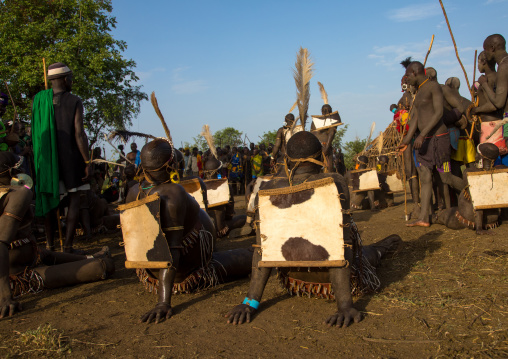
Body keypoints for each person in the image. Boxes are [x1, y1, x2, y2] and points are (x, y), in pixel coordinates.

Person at [226, 131, 401, 326]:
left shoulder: (266, 191)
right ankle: (382, 247)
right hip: (333, 284)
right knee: (368, 252)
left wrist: (250, 302)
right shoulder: (335, 183)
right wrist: (344, 305)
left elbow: (262, 251)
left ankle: (382, 246)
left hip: (296, 282)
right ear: (320, 157)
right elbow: (339, 246)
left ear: (287, 160)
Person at [124, 138, 252, 324]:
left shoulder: (134, 190)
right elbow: (173, 251)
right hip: (188, 274)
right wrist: (163, 303)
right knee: (251, 256)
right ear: (172, 164)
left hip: (151, 276)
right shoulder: (173, 193)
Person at [0, 151, 114, 318]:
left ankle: (88, 257)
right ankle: (93, 261)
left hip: (31, 256)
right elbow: (1, 243)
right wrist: (5, 296)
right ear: (12, 172)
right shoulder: (19, 193)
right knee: (103, 266)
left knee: (44, 254)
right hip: (18, 275)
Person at [32, 62, 91, 253]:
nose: (72, 81)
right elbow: (79, 133)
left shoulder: (39, 101)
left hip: (47, 161)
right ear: (65, 79)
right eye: (71, 78)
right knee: (74, 199)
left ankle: (49, 245)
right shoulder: (74, 101)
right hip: (71, 159)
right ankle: (67, 246)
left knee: (50, 199)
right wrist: (87, 161)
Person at [398, 61, 465, 227]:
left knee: (446, 177)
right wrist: (406, 141)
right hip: (425, 141)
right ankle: (423, 218)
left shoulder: (433, 87)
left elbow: (439, 113)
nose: (406, 79)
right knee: (425, 177)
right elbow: (415, 119)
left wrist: (423, 134)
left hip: (438, 138)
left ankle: (473, 190)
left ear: (414, 72)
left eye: (407, 75)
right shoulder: (419, 92)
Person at [435, 143, 502, 235]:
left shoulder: (470, 173)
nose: (475, 155)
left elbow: (478, 201)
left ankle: (431, 218)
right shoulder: (502, 171)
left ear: (481, 156)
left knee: (443, 215)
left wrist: (479, 228)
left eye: (477, 153)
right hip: (493, 220)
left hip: (470, 218)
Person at [310, 104, 340, 173]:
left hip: (313, 148)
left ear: (322, 111)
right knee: (329, 172)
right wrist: (326, 148)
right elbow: (331, 133)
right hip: (324, 147)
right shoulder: (332, 120)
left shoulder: (314, 121)